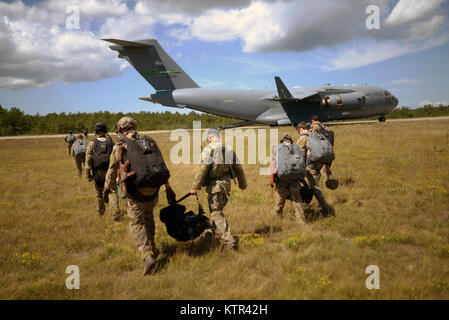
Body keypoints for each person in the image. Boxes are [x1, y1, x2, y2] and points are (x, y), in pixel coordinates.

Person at [104, 116, 176, 275]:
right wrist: (167, 187)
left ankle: (146, 255)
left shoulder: (120, 146)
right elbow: (160, 165)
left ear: (121, 129)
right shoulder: (149, 141)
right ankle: (153, 247)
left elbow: (111, 170)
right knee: (149, 218)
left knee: (136, 223)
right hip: (154, 189)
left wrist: (106, 189)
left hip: (135, 191)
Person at [189, 128, 247, 251]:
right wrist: (242, 183)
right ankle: (210, 234)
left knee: (216, 212)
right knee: (217, 211)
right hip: (227, 185)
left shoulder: (208, 149)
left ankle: (229, 240)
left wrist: (194, 187)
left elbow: (202, 170)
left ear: (211, 137)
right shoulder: (228, 148)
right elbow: (238, 167)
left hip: (214, 187)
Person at [85, 122, 121, 222]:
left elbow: (88, 159)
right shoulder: (111, 142)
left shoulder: (92, 143)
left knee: (99, 193)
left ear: (96, 131)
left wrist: (88, 173)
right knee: (112, 191)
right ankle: (115, 214)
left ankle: (100, 212)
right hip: (110, 171)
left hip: (97, 172)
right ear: (105, 130)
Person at [296, 122, 331, 216]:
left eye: (299, 131)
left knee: (314, 187)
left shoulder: (303, 137)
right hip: (319, 164)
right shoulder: (316, 135)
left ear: (301, 130)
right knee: (312, 185)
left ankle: (325, 207)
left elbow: (300, 154)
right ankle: (306, 204)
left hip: (310, 166)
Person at [270, 134, 306, 223]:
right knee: (296, 197)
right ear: (291, 141)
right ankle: (301, 219)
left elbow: (273, 165)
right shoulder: (297, 148)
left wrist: (272, 180)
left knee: (280, 195)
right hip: (295, 177)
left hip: (282, 177)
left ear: (282, 141)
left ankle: (277, 215)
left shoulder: (277, 148)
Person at [310, 115, 334, 179]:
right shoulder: (324, 126)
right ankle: (328, 180)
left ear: (312, 121)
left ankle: (320, 184)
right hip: (328, 150)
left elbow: (312, 138)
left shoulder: (315, 126)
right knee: (326, 167)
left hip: (319, 151)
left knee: (316, 170)